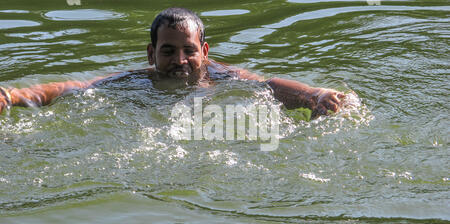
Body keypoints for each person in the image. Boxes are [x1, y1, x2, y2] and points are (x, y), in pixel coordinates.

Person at [0, 7, 346, 117]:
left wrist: (314, 94)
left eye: (189, 51)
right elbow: (76, 87)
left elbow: (267, 85)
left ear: (204, 52)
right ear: (151, 54)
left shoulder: (221, 76)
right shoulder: (138, 81)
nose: (180, 60)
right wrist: (13, 95)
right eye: (168, 51)